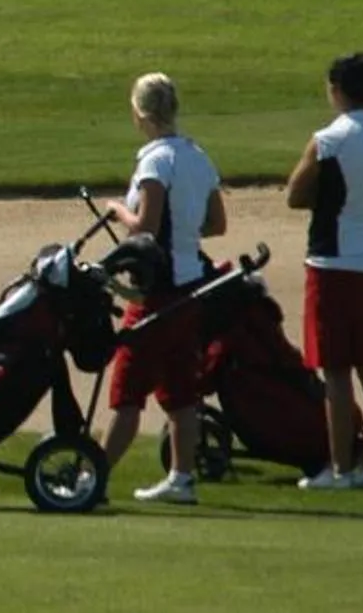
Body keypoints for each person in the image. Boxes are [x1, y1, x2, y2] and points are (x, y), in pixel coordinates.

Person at [99, 71, 226, 505]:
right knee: (179, 391)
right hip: (190, 287)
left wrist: (118, 210)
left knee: (128, 391)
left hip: (157, 292)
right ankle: (181, 477)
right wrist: (185, 231)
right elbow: (217, 223)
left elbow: (146, 227)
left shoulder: (154, 161)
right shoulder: (197, 155)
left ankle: (93, 478)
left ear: (140, 114)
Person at [285, 50, 363, 492]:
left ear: (336, 90)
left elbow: (295, 195)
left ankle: (340, 468)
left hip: (332, 261)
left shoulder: (328, 140)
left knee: (335, 370)